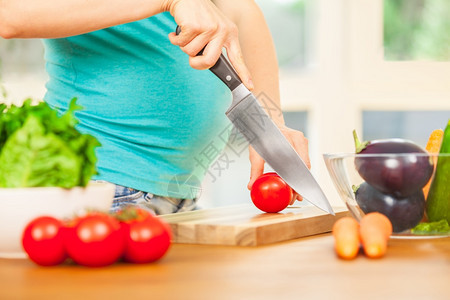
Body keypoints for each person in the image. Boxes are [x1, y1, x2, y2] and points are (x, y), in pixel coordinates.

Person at [0, 0, 310, 214]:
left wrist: (271, 121)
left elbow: (238, 9)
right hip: (98, 190)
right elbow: (12, 12)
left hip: (180, 193)